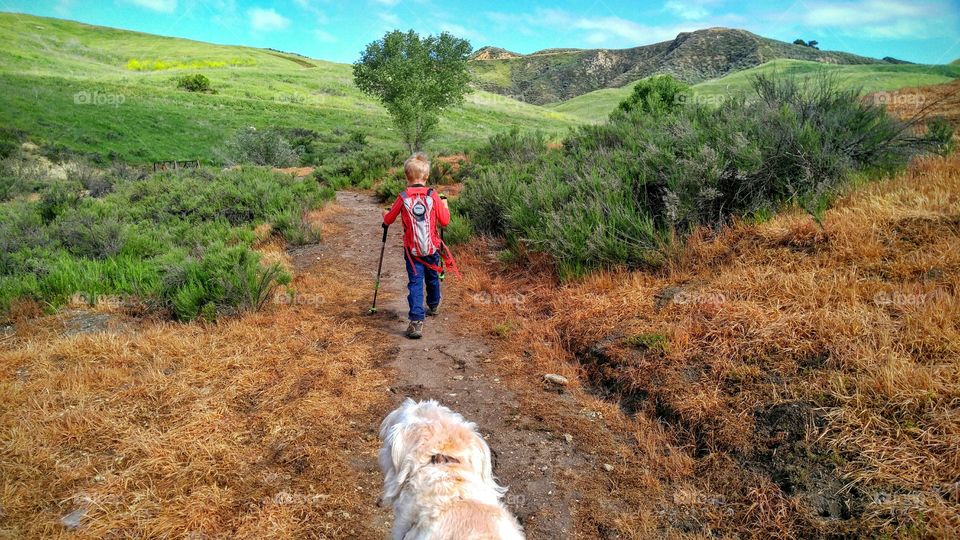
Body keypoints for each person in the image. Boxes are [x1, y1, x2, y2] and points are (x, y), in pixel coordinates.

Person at [383, 153, 450, 339]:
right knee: (433, 277)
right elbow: (444, 222)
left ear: (407, 176)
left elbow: (389, 219)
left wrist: (384, 214)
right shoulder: (433, 195)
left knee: (415, 282)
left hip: (412, 251)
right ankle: (434, 304)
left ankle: (416, 322)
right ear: (426, 176)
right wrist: (444, 205)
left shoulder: (403, 196)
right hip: (432, 247)